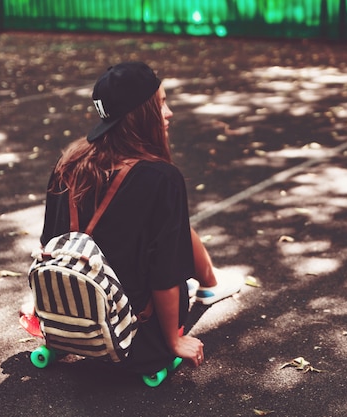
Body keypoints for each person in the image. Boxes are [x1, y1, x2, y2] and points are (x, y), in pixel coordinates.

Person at [38, 61, 243, 374]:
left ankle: (211, 281)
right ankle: (210, 284)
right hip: (134, 333)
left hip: (73, 318)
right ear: (140, 115)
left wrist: (43, 306)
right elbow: (165, 274)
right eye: (161, 104)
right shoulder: (162, 177)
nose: (170, 112)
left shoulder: (69, 162)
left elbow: (50, 242)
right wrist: (173, 342)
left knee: (169, 227)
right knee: (170, 234)